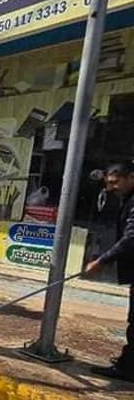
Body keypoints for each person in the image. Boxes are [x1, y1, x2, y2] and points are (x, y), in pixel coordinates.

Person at [84, 161, 134, 382]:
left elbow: (131, 237)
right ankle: (128, 362)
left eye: (115, 182)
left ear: (131, 177)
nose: (111, 188)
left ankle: (128, 369)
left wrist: (102, 261)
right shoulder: (127, 198)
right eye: (109, 184)